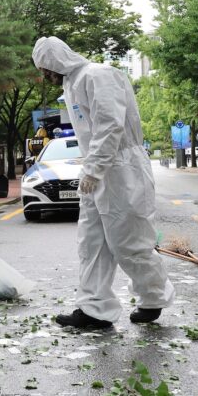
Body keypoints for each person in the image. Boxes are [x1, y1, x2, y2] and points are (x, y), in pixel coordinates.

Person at [32, 36, 175, 328]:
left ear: (57, 60)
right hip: (97, 170)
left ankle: (153, 298)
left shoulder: (98, 75)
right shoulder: (72, 83)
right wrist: (92, 169)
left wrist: (95, 168)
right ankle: (94, 308)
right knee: (92, 242)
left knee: (129, 240)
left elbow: (110, 123)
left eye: (46, 69)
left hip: (123, 169)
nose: (45, 76)